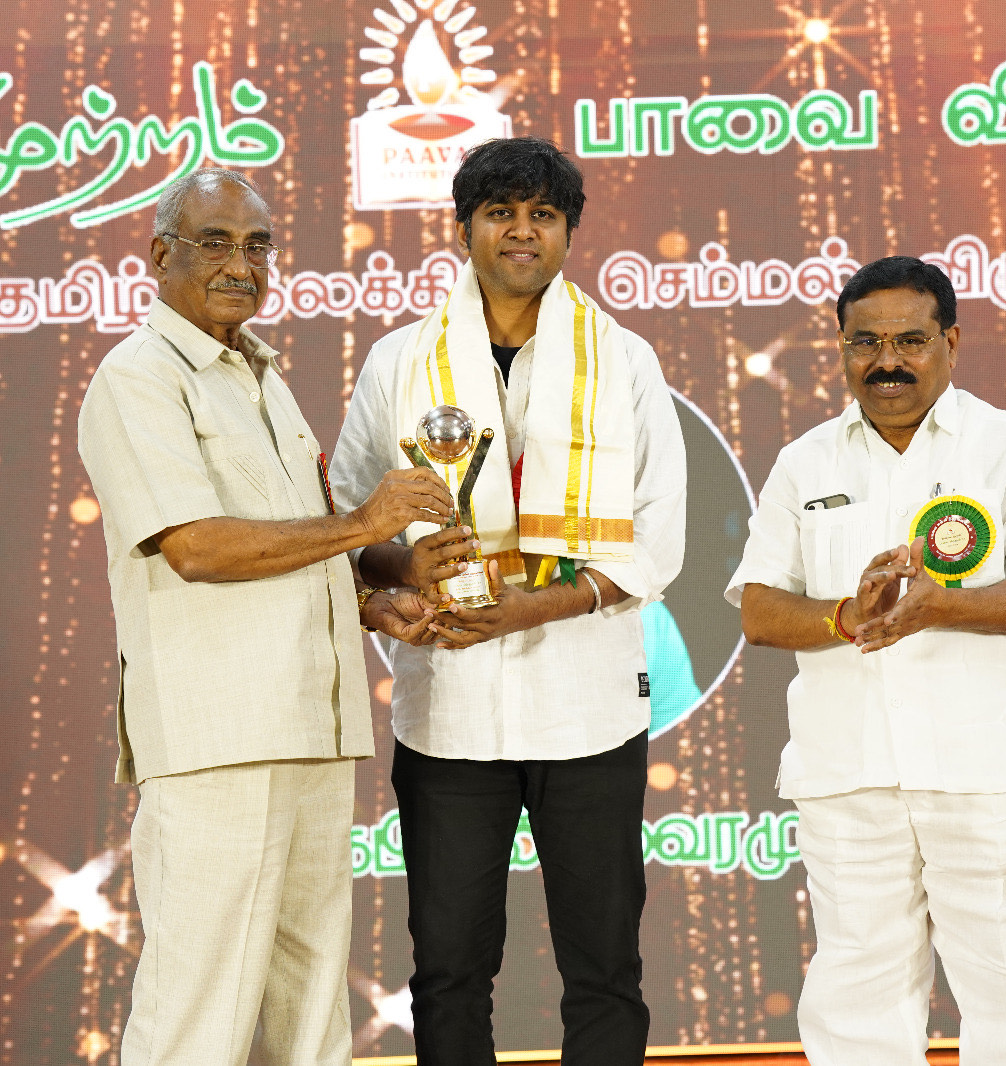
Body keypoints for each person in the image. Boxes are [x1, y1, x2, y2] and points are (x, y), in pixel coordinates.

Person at [77, 168, 451, 1066]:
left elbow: (291, 547)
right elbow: (196, 547)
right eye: (215, 243)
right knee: (197, 1008)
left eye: (258, 246)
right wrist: (367, 524)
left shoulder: (262, 376)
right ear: (160, 254)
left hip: (313, 725)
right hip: (217, 739)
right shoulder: (137, 377)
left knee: (311, 1006)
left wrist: (372, 601)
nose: (241, 266)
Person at [329, 137, 687, 1065]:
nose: (522, 231)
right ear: (464, 229)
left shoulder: (626, 361)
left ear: (568, 231)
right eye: (500, 213)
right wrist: (403, 568)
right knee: (448, 969)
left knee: (604, 970)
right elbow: (346, 523)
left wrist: (536, 607)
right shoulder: (399, 362)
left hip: (590, 709)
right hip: (448, 712)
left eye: (543, 214)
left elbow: (659, 539)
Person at [726, 256, 1006, 1065]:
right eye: (866, 342)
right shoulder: (805, 461)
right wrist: (845, 616)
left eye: (910, 341)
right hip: (849, 771)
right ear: (840, 347)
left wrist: (942, 606)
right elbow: (758, 609)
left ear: (950, 343)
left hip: (991, 771)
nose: (886, 361)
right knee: (856, 1002)